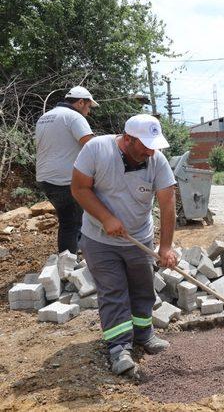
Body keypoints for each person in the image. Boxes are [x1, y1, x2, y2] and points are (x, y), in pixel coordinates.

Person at [71, 114, 178, 376]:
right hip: (99, 240)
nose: (151, 150)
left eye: (154, 145)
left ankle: (144, 335)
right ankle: (119, 348)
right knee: (113, 292)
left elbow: (167, 203)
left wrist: (165, 247)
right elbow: (79, 188)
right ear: (127, 138)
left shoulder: (156, 160)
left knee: (142, 289)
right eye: (145, 144)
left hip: (138, 239)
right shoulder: (96, 149)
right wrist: (106, 218)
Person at [35, 86, 97, 253]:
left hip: (45, 178)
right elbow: (92, 147)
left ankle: (71, 260)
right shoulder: (74, 117)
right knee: (73, 222)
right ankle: (70, 268)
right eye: (88, 107)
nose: (88, 112)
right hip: (65, 180)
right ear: (80, 102)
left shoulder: (45, 117)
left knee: (69, 221)